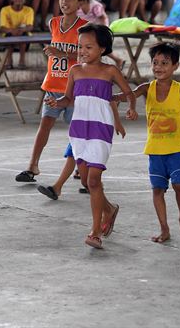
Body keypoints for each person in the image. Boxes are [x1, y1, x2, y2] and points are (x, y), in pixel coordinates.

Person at [45, 24, 137, 249]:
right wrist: (58, 103)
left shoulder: (110, 71)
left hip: (100, 130)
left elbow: (128, 92)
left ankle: (95, 231)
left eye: (88, 46)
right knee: (87, 180)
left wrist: (130, 107)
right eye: (80, 46)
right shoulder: (75, 70)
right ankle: (110, 209)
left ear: (102, 49)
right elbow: (68, 99)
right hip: (79, 130)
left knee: (94, 180)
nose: (82, 51)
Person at [116, 43, 180, 243]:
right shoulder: (146, 88)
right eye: (155, 62)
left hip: (176, 149)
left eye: (164, 63)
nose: (158, 67)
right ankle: (164, 228)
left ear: (175, 66)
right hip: (155, 150)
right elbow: (127, 95)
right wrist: (111, 97)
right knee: (157, 190)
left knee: (179, 186)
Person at [15, 0, 88, 183]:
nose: (65, 2)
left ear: (80, 3)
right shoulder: (53, 23)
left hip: (74, 89)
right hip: (53, 86)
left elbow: (85, 54)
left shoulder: (85, 28)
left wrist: (61, 52)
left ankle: (80, 167)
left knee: (77, 131)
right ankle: (32, 166)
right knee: (44, 125)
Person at [0, 0, 34, 69]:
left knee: (23, 36)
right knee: (10, 36)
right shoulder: (5, 10)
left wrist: (22, 30)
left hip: (24, 37)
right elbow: (2, 28)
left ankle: (22, 61)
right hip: (9, 37)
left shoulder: (29, 10)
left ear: (25, 0)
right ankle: (9, 62)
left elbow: (30, 27)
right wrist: (12, 31)